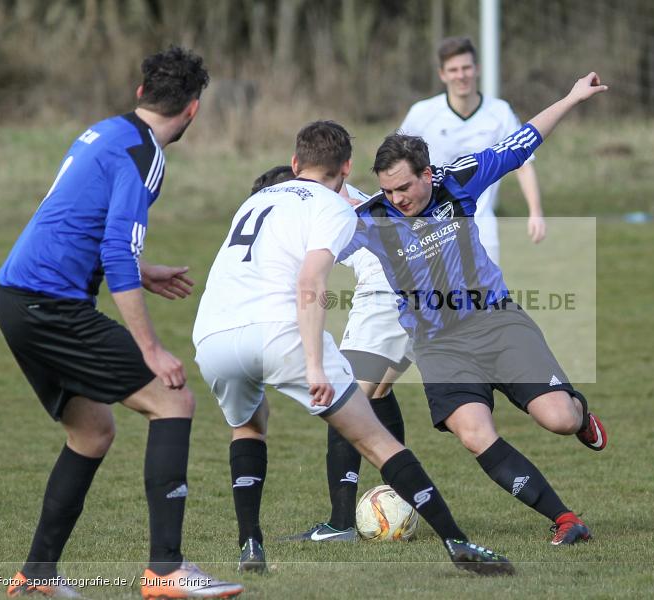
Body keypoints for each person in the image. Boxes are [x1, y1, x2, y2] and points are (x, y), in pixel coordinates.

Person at [192, 121, 513, 575]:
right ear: (347, 168)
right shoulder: (334, 206)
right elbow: (310, 281)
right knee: (375, 440)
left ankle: (251, 546)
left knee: (248, 425)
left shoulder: (254, 200)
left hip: (212, 333)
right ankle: (458, 542)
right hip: (279, 329)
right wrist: (313, 364)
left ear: (296, 163)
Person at [0, 47, 243, 598]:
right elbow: (112, 246)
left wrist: (141, 268)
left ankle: (37, 575)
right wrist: (150, 349)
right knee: (173, 399)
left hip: (14, 298)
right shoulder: (144, 155)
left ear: (140, 93)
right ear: (194, 110)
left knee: (92, 431)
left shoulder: (102, 132)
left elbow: (72, 218)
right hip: (49, 304)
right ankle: (167, 570)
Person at [340, 72, 609, 546]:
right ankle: (566, 519)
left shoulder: (458, 180)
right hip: (439, 346)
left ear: (427, 173)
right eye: (388, 189)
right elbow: (312, 234)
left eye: (405, 187)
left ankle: (580, 414)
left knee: (559, 420)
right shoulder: (370, 219)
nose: (397, 198)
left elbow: (520, 143)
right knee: (472, 432)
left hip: (496, 322)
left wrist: (569, 98)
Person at [279, 178, 415, 543]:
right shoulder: (336, 191)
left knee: (344, 398)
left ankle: (339, 525)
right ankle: (403, 499)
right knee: (378, 391)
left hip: (384, 291)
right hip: (419, 287)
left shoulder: (311, 198)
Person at [400, 36, 545, 264]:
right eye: (454, 69)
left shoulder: (500, 112)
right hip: (431, 227)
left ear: (477, 69)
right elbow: (398, 166)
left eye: (466, 67)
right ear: (443, 74)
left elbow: (524, 164)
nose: (461, 75)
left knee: (485, 297)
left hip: (482, 226)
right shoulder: (422, 114)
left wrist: (535, 212)